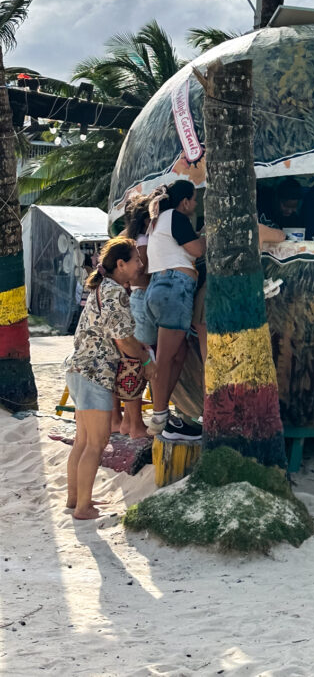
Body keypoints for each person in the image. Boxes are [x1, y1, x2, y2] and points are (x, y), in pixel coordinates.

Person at [63, 237, 155, 520]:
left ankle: (75, 499)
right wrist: (146, 361)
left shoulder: (103, 288)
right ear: (120, 264)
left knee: (83, 440)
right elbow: (123, 339)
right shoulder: (115, 292)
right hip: (95, 373)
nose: (140, 265)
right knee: (96, 443)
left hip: (79, 370)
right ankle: (83, 508)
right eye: (136, 260)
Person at [143, 180, 205, 442]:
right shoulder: (176, 218)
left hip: (162, 287)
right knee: (167, 357)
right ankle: (158, 415)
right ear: (185, 202)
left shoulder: (158, 220)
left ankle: (161, 412)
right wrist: (205, 235)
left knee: (177, 355)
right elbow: (197, 250)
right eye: (193, 200)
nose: (195, 204)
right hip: (174, 288)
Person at [114, 193, 156, 438]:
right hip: (140, 296)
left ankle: (129, 421)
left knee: (131, 361)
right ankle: (134, 423)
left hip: (133, 298)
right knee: (137, 361)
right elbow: (140, 274)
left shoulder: (125, 237)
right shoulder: (141, 239)